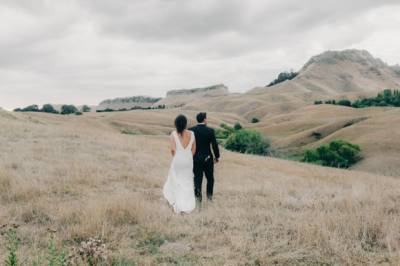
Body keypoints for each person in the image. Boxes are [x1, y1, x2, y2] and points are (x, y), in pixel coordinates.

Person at [163, 114, 196, 213]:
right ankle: (187, 205)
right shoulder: (192, 133)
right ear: (185, 123)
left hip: (178, 160)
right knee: (187, 181)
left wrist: (177, 157)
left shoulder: (173, 134)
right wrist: (188, 157)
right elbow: (194, 149)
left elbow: (173, 150)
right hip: (188, 161)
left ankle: (177, 203)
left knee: (177, 181)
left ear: (176, 124)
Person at [189, 112, 220, 204]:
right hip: (208, 159)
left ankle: (198, 200)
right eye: (206, 118)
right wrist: (217, 157)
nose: (207, 120)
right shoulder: (210, 131)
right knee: (210, 179)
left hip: (195, 159)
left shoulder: (191, 130)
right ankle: (209, 198)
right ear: (204, 119)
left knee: (197, 179)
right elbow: (214, 145)